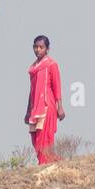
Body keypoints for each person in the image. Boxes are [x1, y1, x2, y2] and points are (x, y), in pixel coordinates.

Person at [24, 35, 65, 164]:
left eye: (41, 47)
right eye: (35, 47)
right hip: (35, 108)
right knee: (35, 138)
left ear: (47, 49)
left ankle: (45, 164)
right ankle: (48, 162)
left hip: (47, 106)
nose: (38, 50)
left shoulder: (51, 65)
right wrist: (28, 111)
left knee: (44, 137)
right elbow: (32, 91)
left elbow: (57, 86)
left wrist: (60, 107)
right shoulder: (33, 68)